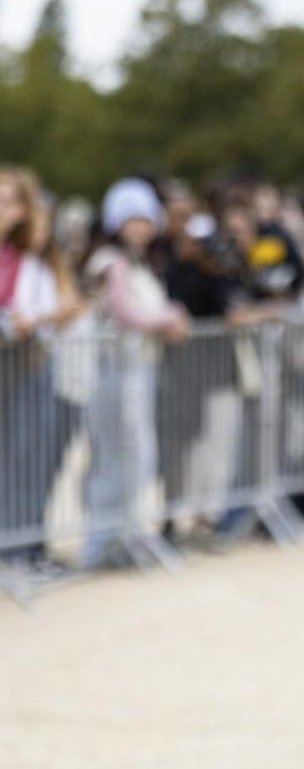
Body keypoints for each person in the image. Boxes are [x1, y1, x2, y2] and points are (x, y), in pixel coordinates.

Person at [78, 178, 189, 570]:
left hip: (139, 368)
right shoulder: (110, 260)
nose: (139, 226)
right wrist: (170, 317)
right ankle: (100, 541)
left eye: (144, 218)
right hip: (115, 371)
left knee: (136, 455)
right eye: (131, 219)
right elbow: (126, 312)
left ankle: (121, 534)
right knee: (119, 454)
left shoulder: (141, 263)